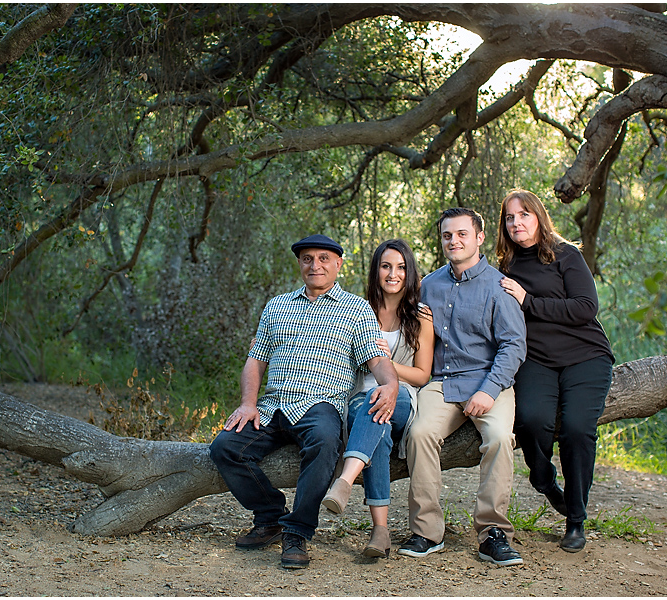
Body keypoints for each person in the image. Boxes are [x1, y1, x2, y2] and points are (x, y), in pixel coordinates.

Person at [209, 234, 399, 569]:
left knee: (326, 442)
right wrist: (247, 402)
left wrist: (391, 385)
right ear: (300, 264)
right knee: (225, 446)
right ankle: (270, 517)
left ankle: (296, 532)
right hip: (272, 406)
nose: (315, 265)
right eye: (308, 259)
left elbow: (378, 360)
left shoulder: (356, 309)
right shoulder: (277, 305)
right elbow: (256, 360)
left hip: (320, 405)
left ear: (338, 264)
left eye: (324, 258)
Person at [399, 207, 527, 567]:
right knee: (420, 433)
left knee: (500, 438)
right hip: (441, 382)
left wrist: (488, 391)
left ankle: (493, 533)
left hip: (490, 382)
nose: (453, 241)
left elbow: (513, 345)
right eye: (446, 236)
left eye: (461, 234)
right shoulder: (429, 286)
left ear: (479, 238)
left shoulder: (498, 286)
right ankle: (427, 531)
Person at [496, 189, 615, 553]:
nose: (517, 223)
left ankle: (575, 520)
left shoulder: (565, 254)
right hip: (538, 359)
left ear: (539, 217)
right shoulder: (506, 267)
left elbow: (585, 307)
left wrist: (528, 301)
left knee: (578, 428)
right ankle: (545, 480)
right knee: (531, 419)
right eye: (510, 218)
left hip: (585, 355)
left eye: (524, 215)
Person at [320, 239, 434, 558]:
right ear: (376, 271)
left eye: (400, 267)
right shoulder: (358, 310)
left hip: (402, 396)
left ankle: (344, 480)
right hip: (360, 397)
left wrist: (385, 364)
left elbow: (423, 374)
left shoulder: (421, 316)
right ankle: (380, 532)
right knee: (377, 430)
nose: (393, 274)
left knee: (381, 403)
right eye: (386, 266)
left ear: (409, 273)